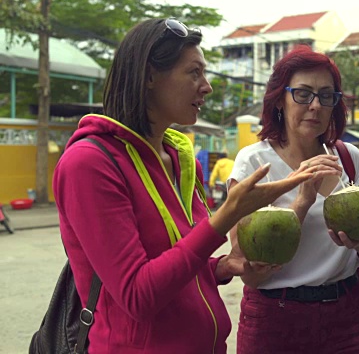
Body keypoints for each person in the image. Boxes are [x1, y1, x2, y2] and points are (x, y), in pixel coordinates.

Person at [51, 18, 315, 353]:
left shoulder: (178, 157)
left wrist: (220, 266)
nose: (207, 86)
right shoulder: (89, 164)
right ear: (149, 76)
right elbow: (137, 295)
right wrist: (228, 214)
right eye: (194, 72)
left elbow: (175, 258)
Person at [228, 45, 359, 354]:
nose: (315, 105)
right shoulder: (253, 164)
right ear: (280, 98)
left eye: (326, 96)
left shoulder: (349, 159)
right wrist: (303, 199)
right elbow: (247, 268)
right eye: (303, 94)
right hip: (276, 318)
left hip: (346, 316)